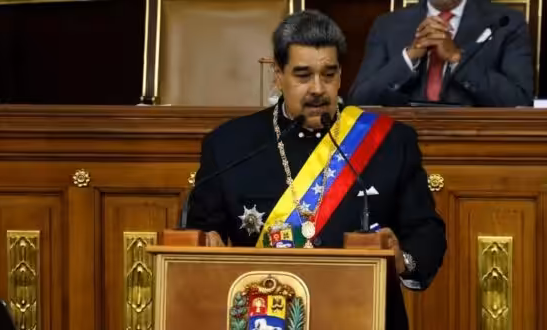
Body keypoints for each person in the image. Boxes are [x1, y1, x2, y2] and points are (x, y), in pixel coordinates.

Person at [184, 10, 446, 329]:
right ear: (278, 74)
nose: (318, 89)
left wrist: (402, 260)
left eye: (328, 74)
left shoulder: (389, 141)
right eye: (303, 75)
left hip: (364, 315)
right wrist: (203, 247)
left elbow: (426, 232)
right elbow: (196, 237)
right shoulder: (230, 145)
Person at [348, 0, 534, 107]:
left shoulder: (506, 23)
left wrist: (457, 59)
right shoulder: (388, 25)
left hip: (476, 145)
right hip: (402, 143)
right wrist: (410, 56)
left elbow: (519, 100)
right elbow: (359, 101)